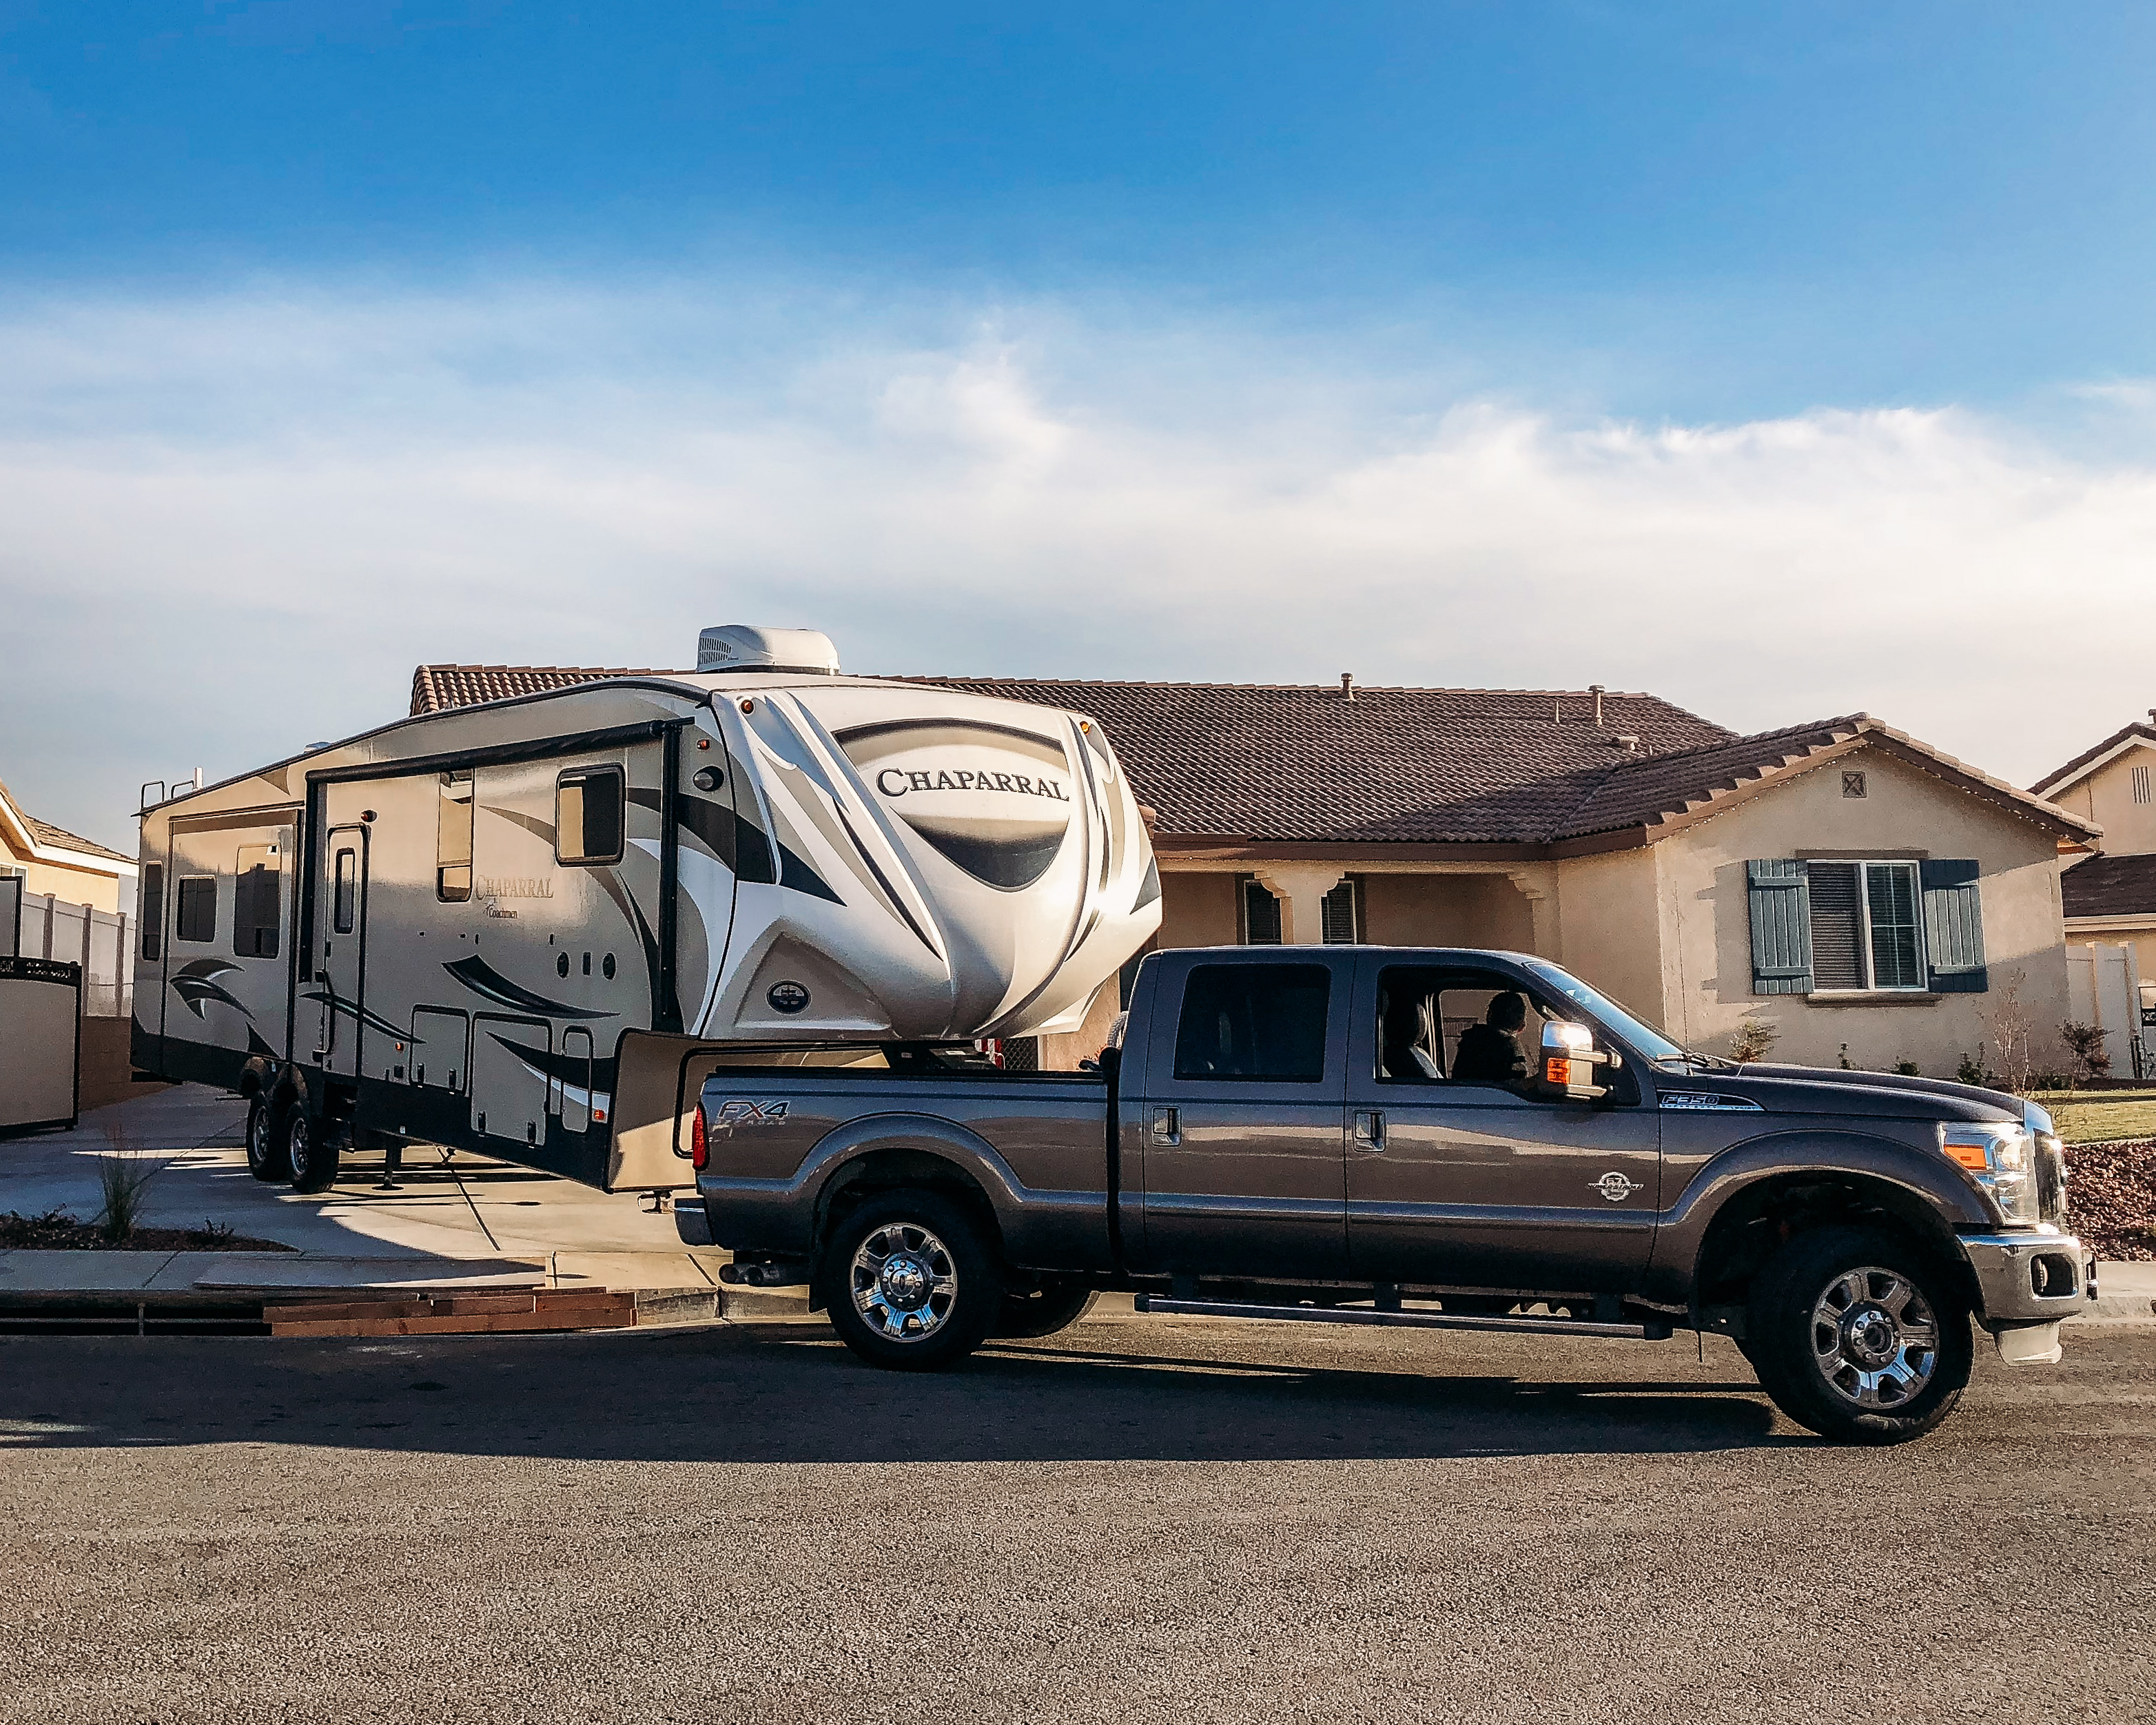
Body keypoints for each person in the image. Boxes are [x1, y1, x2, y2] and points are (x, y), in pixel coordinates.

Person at [1451, 991, 1532, 1085]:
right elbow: (1519, 1084)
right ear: (1521, 1023)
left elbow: (1457, 1076)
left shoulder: (1470, 1040)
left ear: (1489, 1015)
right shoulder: (1510, 1045)